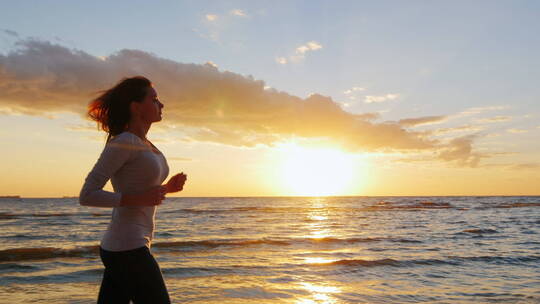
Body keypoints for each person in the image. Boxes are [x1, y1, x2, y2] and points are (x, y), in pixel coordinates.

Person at [79, 76, 187, 304]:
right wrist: (138, 198)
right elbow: (87, 194)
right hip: (127, 247)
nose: (161, 104)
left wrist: (167, 188)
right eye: (154, 99)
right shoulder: (123, 141)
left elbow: (140, 190)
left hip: (127, 245)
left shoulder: (145, 143)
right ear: (136, 107)